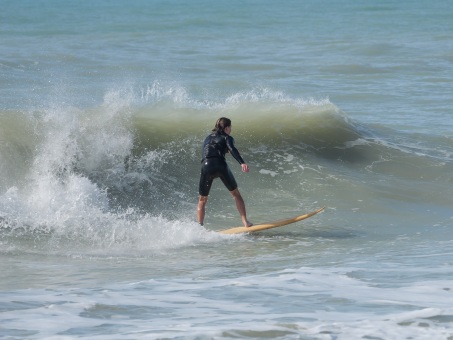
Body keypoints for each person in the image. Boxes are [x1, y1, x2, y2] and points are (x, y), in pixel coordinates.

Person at [197, 117, 253, 228]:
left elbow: (211, 149)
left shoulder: (208, 138)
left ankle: (199, 227)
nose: (231, 129)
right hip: (220, 165)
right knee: (236, 194)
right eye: (230, 127)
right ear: (226, 127)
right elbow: (231, 149)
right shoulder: (227, 137)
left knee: (202, 199)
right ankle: (245, 222)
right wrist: (242, 162)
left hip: (206, 165)